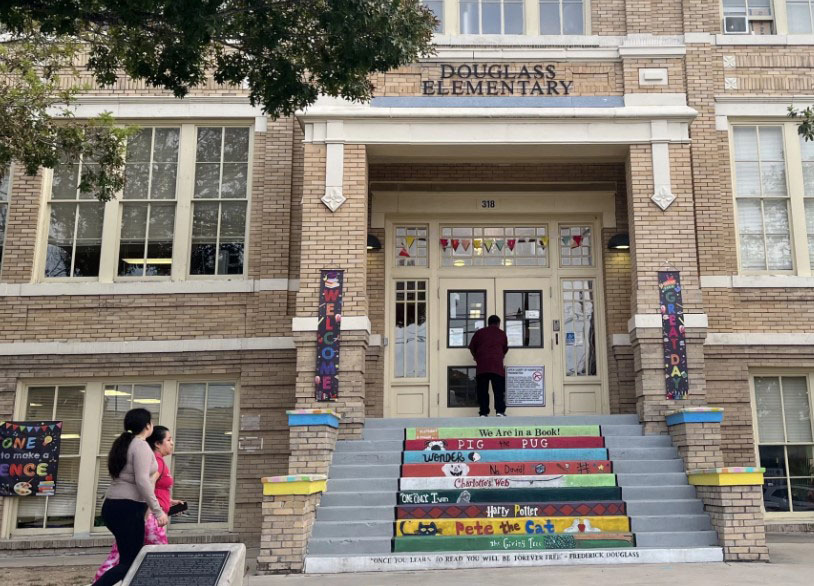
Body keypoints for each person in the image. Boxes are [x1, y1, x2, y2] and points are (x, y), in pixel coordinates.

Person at [94, 425, 182, 582]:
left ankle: (101, 580)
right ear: (157, 443)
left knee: (121, 557)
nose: (172, 443)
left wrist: (169, 501)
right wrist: (154, 512)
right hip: (150, 519)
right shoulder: (156, 462)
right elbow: (147, 485)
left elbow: (153, 489)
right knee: (160, 557)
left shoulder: (155, 460)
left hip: (142, 515)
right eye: (168, 440)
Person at [468, 314, 509, 417]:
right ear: (498, 323)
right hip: (497, 366)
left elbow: (472, 347)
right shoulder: (502, 334)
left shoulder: (479, 333)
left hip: (482, 366)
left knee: (482, 390)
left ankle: (483, 412)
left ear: (488, 323)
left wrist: (476, 357)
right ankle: (500, 411)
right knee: (498, 390)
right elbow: (505, 349)